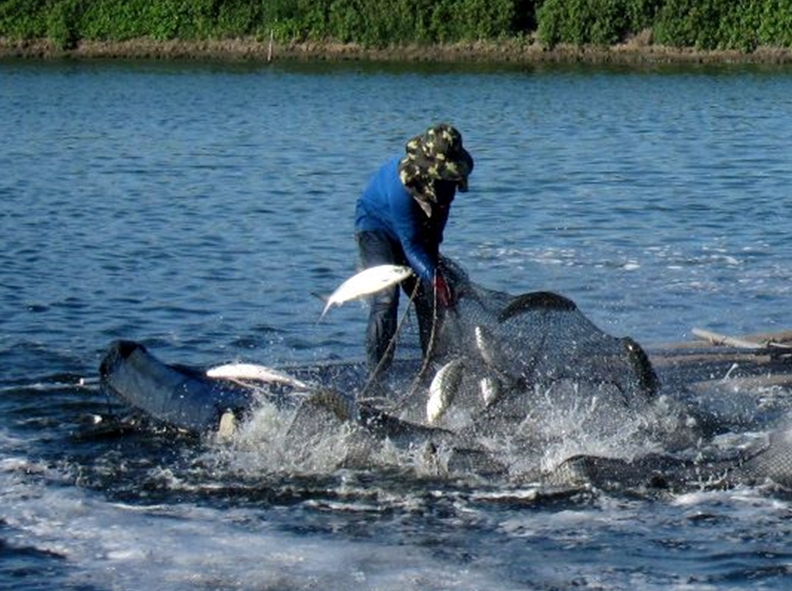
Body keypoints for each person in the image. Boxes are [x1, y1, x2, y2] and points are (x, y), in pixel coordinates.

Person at [354, 123, 474, 373]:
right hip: (377, 230)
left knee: (429, 300)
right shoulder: (402, 190)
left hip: (415, 239)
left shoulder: (446, 184)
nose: (449, 183)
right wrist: (435, 278)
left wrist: (435, 278)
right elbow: (411, 245)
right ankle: (376, 376)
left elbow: (432, 237)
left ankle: (433, 367)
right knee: (386, 299)